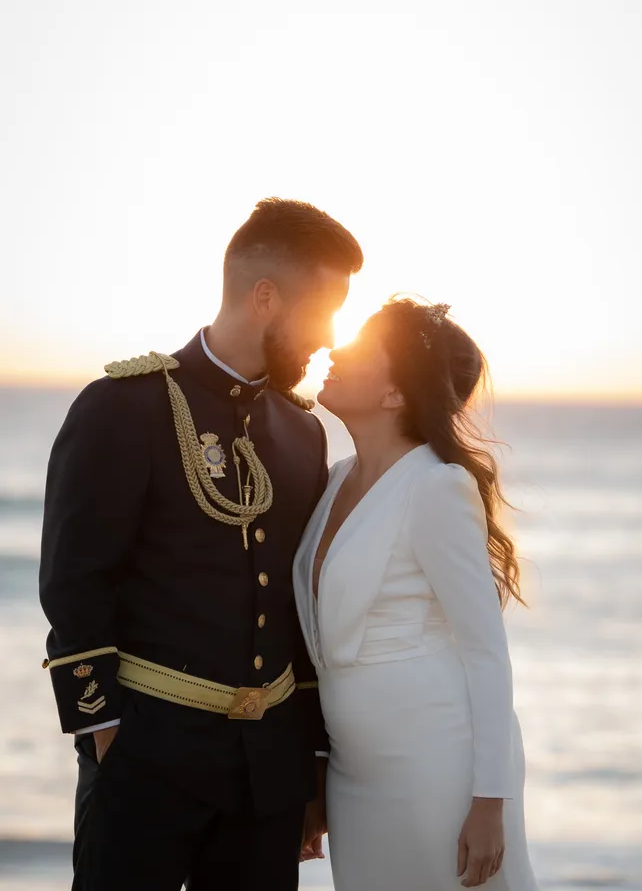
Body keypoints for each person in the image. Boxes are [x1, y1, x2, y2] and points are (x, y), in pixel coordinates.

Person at [39, 197, 363, 891]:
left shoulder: (301, 432)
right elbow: (74, 582)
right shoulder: (123, 407)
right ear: (266, 297)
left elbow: (296, 607)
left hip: (265, 773)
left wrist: (308, 762)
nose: (331, 337)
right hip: (145, 757)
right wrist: (105, 738)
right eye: (323, 310)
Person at [293, 298, 540, 890]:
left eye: (358, 349)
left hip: (438, 762)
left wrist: (490, 802)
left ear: (395, 395)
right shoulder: (333, 480)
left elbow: (485, 650)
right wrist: (317, 774)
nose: (334, 351)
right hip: (356, 772)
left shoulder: (436, 484)